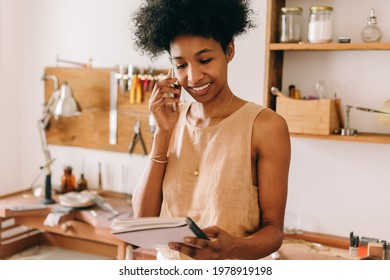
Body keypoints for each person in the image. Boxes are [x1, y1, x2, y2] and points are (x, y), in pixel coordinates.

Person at [131, 0, 291, 260]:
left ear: (229, 51)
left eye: (204, 60)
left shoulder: (266, 127)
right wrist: (162, 135)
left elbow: (274, 232)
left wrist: (233, 247)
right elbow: (142, 222)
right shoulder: (170, 120)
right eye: (181, 65)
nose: (193, 77)